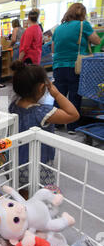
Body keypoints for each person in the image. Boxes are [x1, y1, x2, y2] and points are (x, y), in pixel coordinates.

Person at [8, 60, 79, 193]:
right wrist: (57, 94)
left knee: (22, 193)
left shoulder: (13, 105)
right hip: (39, 165)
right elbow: (73, 114)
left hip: (16, 162)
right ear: (42, 87)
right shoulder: (43, 112)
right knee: (44, 196)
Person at [51, 2, 101, 134]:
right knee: (74, 95)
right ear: (82, 14)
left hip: (58, 66)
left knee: (59, 95)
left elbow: (53, 48)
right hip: (75, 66)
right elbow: (97, 41)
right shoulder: (83, 25)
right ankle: (72, 126)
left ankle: (57, 123)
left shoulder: (59, 28)